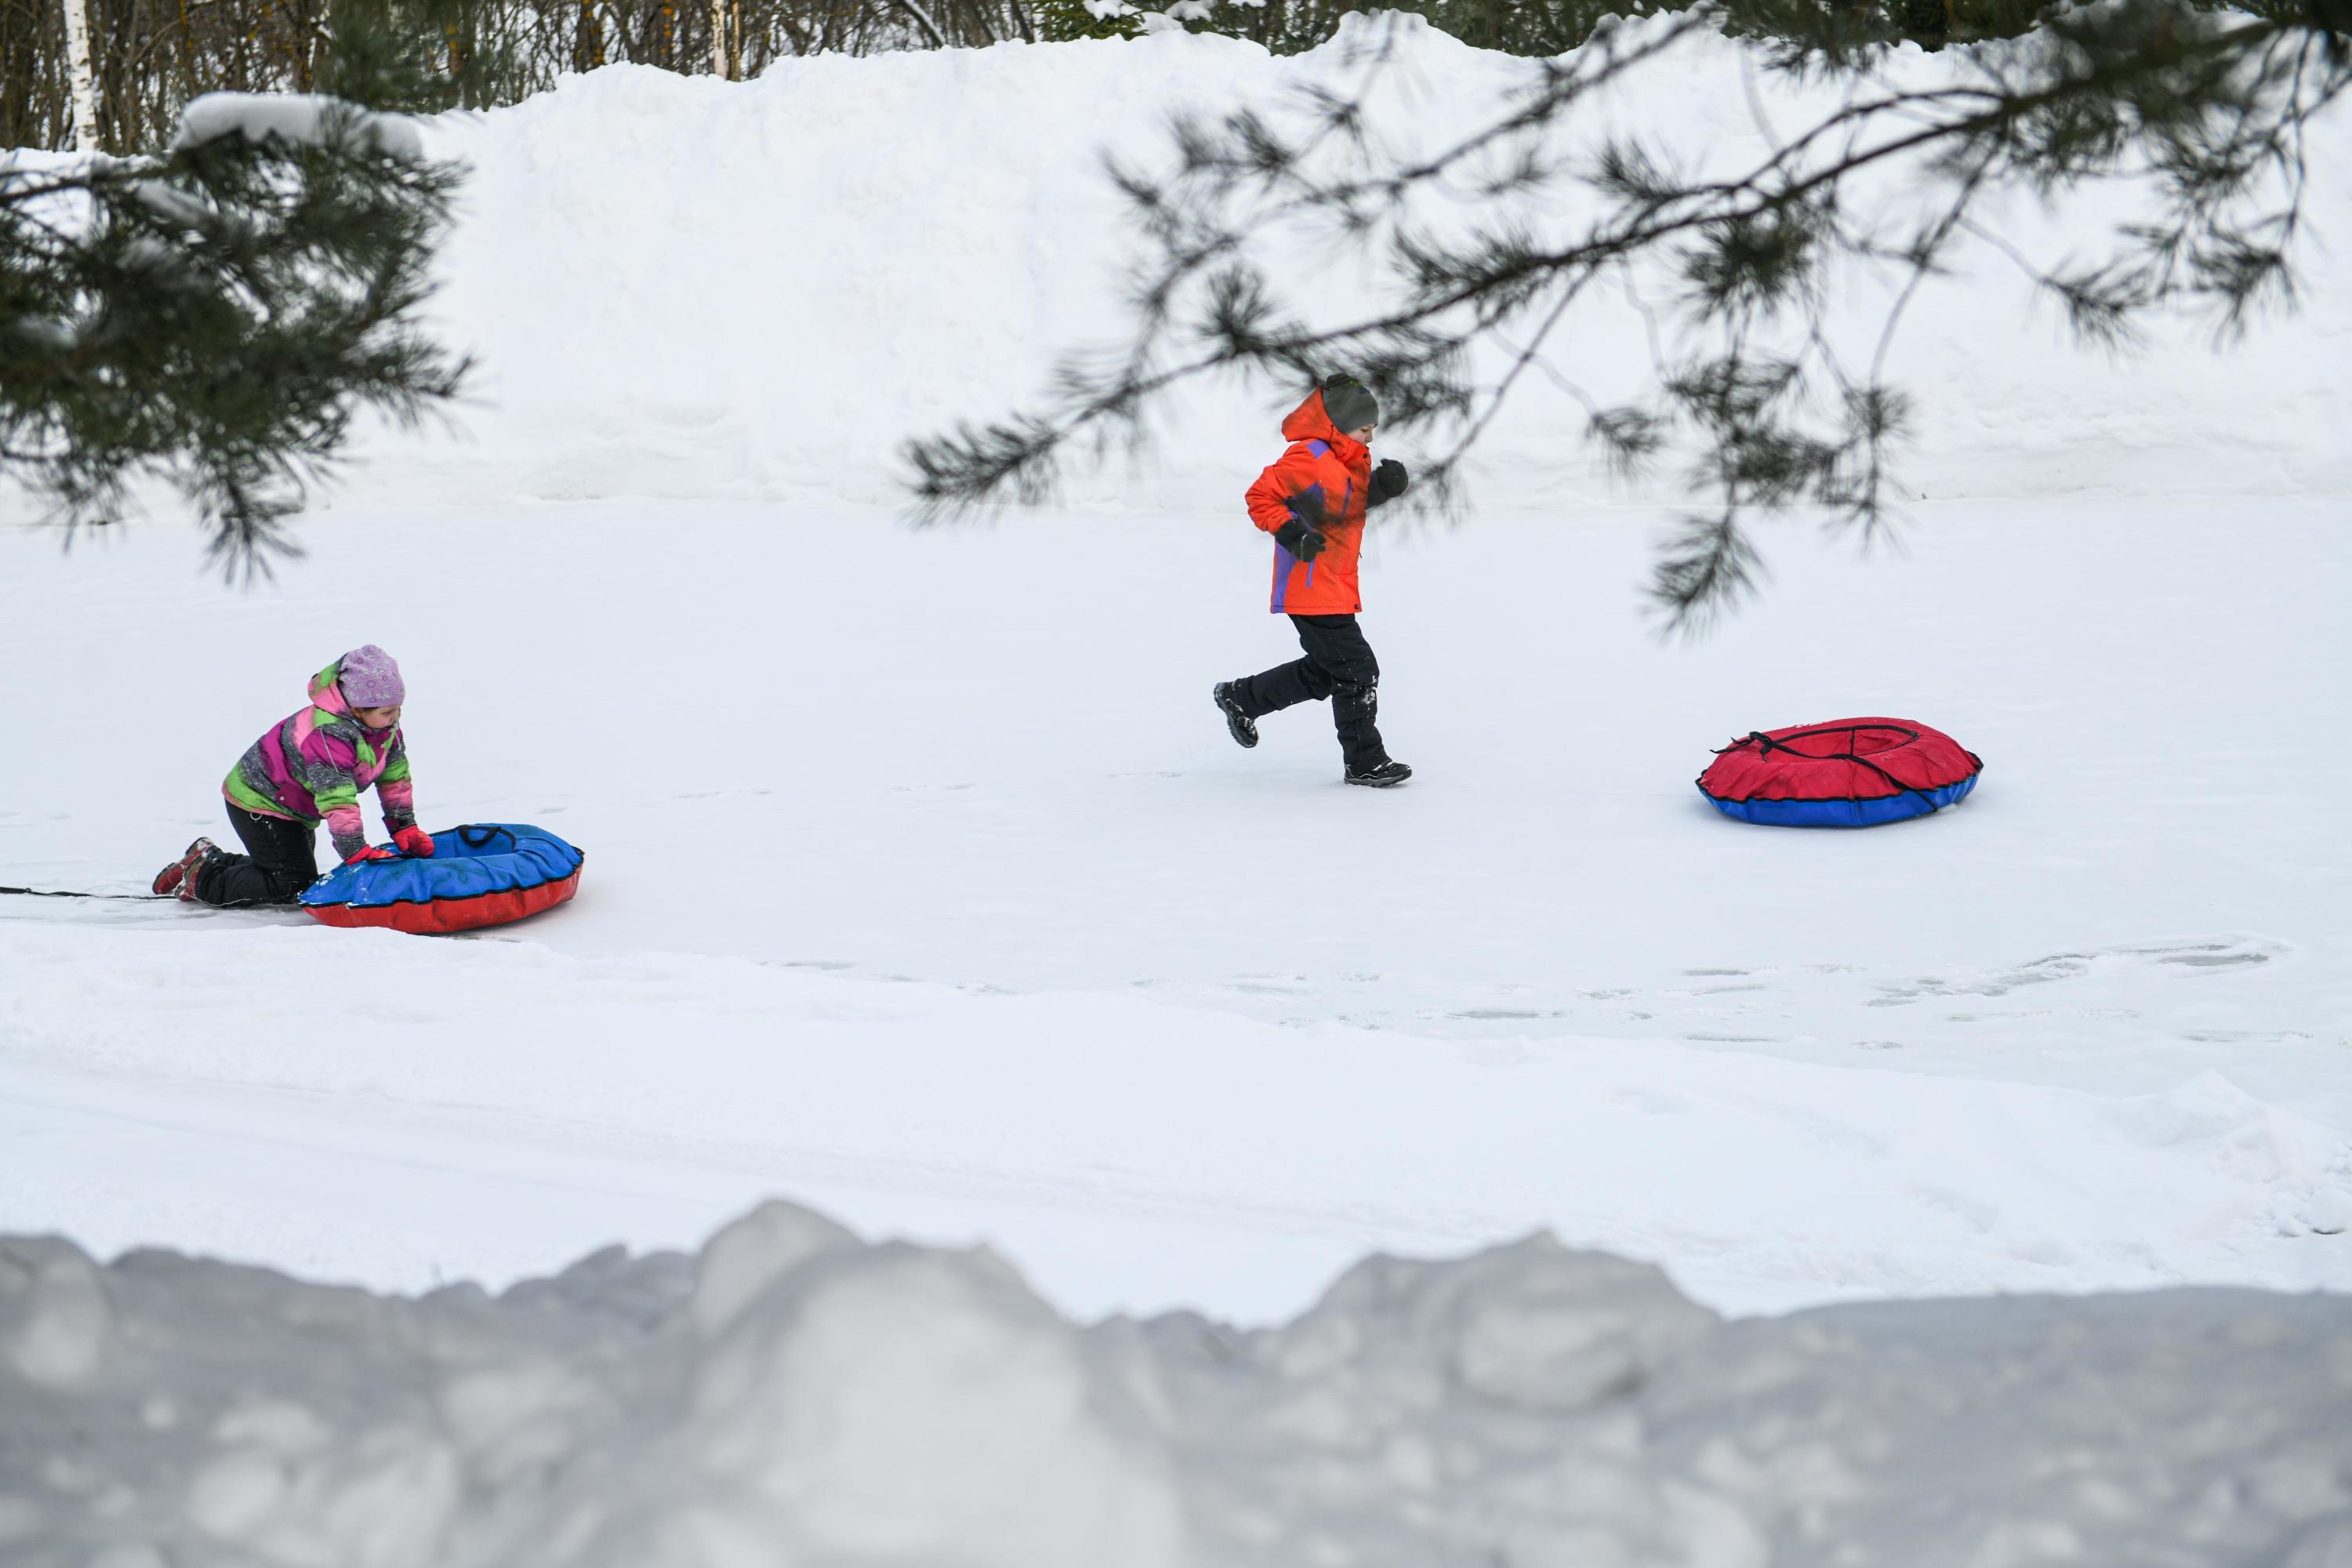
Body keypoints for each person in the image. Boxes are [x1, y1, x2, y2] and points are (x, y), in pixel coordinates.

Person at [1212, 374, 1414, 786]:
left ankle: (1243, 696)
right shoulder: (1307, 457)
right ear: (1338, 425)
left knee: (1334, 670)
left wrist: (1380, 488)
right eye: (1364, 430)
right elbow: (1259, 497)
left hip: (1334, 584)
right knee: (1359, 671)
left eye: (1373, 430)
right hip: (1310, 586)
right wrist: (1291, 533)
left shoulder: (1344, 460)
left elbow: (1343, 507)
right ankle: (1364, 761)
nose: (1371, 439)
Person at [151, 645, 433, 906]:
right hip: (261, 801)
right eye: (387, 712)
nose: (395, 717)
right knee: (292, 884)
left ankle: (207, 859)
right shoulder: (329, 734)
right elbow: (337, 797)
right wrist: (354, 851)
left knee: (285, 868)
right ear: (358, 708)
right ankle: (201, 880)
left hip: (292, 805)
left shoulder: (383, 729)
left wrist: (403, 826)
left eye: (398, 709)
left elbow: (395, 778)